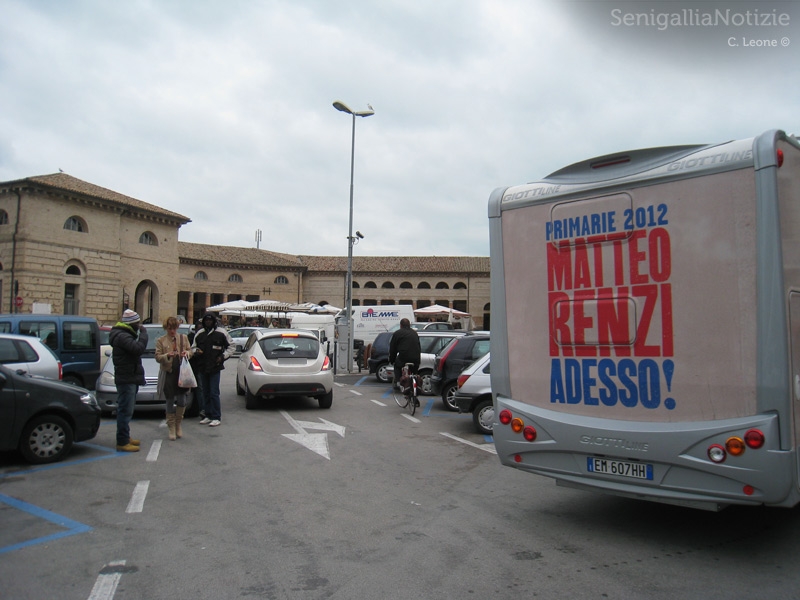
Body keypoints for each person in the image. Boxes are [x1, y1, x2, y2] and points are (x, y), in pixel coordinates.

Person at [108, 309, 148, 452]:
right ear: (132, 324)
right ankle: (122, 441)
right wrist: (144, 335)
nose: (139, 326)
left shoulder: (122, 334)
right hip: (126, 379)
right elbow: (138, 349)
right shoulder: (123, 336)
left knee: (127, 409)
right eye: (137, 323)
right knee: (125, 410)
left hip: (129, 376)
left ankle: (125, 436)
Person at [191, 312, 234, 427]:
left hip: (215, 367)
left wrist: (223, 357)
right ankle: (207, 415)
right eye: (206, 321)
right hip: (203, 367)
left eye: (210, 320)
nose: (208, 322)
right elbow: (193, 347)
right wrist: (196, 351)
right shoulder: (200, 334)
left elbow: (231, 346)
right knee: (205, 392)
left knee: (214, 392)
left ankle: (216, 416)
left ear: (214, 321)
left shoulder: (221, 333)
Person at [155, 316, 193, 441]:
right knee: (170, 400)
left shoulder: (183, 338)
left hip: (181, 373)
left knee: (182, 400)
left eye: (174, 328)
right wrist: (167, 355)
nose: (172, 331)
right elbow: (157, 357)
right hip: (169, 373)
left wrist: (186, 353)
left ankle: (178, 424)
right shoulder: (161, 340)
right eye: (170, 329)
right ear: (166, 328)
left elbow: (190, 351)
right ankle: (171, 427)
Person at [389, 318, 421, 403]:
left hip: (403, 357)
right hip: (416, 357)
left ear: (400, 325)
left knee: (397, 366)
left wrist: (392, 360)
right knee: (414, 373)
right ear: (409, 325)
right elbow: (418, 346)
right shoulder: (414, 333)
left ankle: (400, 383)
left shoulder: (397, 333)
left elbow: (393, 349)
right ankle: (414, 390)